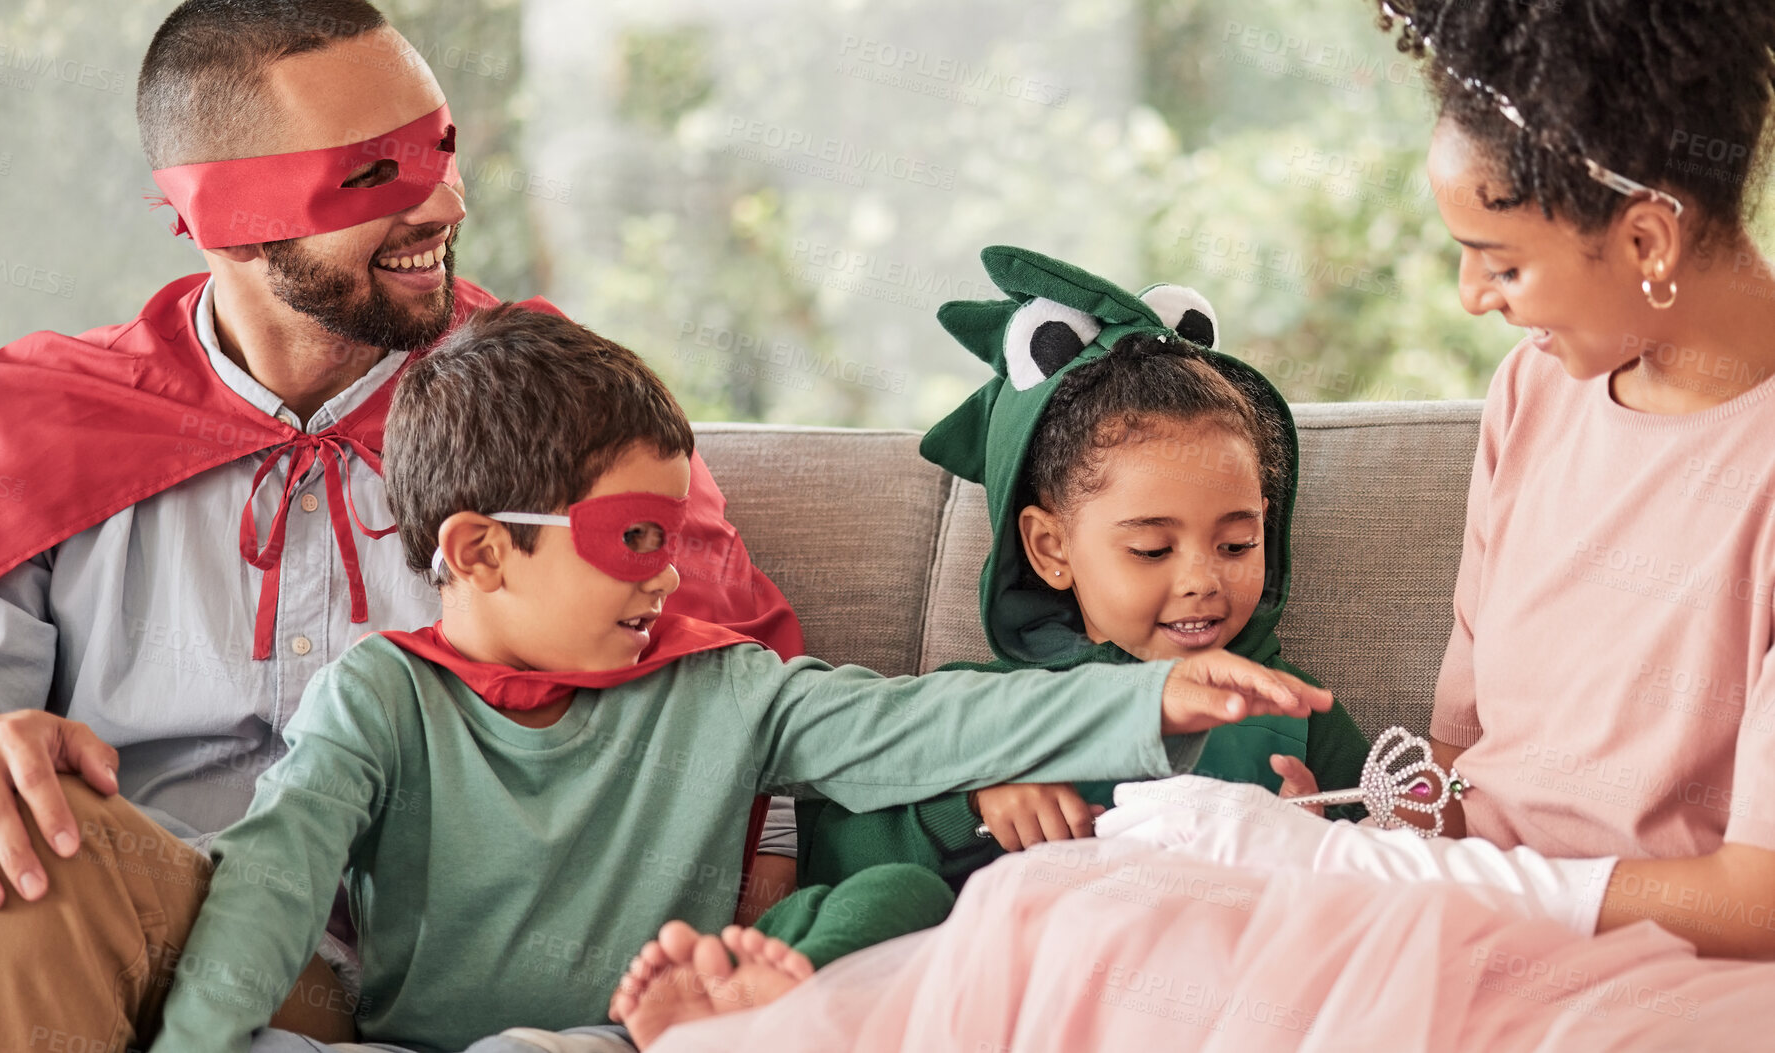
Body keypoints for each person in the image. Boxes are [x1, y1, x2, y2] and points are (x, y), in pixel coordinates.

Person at [0, 3, 800, 1049]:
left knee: (39, 852)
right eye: (373, 177)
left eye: (442, 150)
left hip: (389, 971)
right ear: (224, 213)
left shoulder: (555, 416)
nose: (444, 202)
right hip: (98, 921)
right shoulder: (47, 417)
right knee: (16, 836)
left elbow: (749, 744)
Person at [148, 304, 1332, 1052]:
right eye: (636, 540)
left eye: (676, 533)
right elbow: (270, 885)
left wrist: (1147, 698)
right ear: (477, 550)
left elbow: (921, 721)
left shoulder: (725, 689)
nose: (673, 574)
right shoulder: (378, 698)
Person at [1104, 0, 1775, 961]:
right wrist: (1372, 834)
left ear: (1646, 241)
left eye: (1501, 262)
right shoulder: (1534, 392)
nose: (1471, 296)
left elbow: (1759, 901)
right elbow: (1462, 770)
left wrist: (1382, 874)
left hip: (1660, 974)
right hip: (1454, 929)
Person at [607, 248, 1368, 1046]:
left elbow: (1409, 855)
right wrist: (971, 802)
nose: (1202, 581)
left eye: (1238, 543)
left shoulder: (1291, 707)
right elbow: (831, 848)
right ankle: (763, 1011)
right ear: (1050, 548)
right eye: (1151, 550)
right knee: (893, 891)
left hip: (1208, 1000)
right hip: (1000, 996)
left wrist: (1323, 837)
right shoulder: (983, 710)